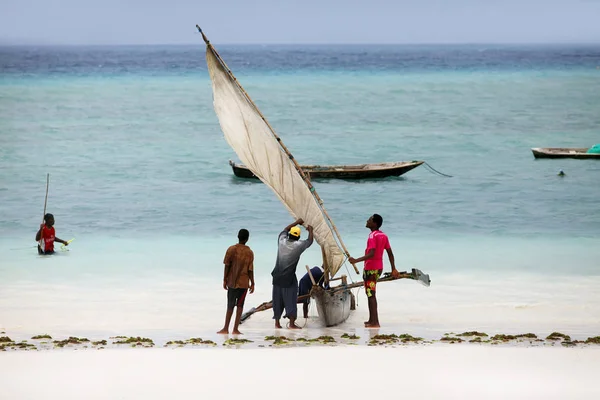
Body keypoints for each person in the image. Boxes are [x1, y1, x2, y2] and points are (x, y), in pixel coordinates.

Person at [349, 214, 399, 328]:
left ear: (375, 223)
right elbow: (390, 253)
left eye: (370, 219)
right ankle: (372, 319)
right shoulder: (383, 236)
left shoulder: (372, 236)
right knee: (371, 293)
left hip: (371, 269)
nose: (367, 220)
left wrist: (356, 260)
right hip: (378, 268)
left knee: (371, 294)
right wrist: (393, 268)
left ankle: (375, 322)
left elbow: (371, 253)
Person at [271, 218, 313, 329]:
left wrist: (296, 222)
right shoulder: (298, 246)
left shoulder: (281, 241)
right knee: (291, 299)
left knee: (277, 299)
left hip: (276, 277)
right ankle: (292, 324)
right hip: (289, 279)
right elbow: (309, 241)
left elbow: (284, 229)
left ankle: (277, 323)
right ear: (298, 237)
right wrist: (311, 230)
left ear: (289, 235)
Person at [217, 229, 255, 335]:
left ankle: (225, 328)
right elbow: (250, 269)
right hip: (244, 284)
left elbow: (227, 265)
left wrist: (224, 279)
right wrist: (253, 282)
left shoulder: (231, 249)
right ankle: (235, 329)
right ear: (247, 239)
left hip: (232, 282)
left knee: (230, 305)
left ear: (238, 236)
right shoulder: (249, 252)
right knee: (240, 306)